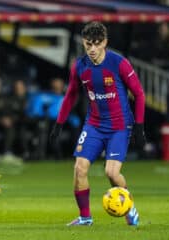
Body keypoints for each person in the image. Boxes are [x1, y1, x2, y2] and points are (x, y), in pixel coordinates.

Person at [50, 21, 146, 226]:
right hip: (93, 125)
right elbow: (71, 95)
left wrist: (139, 126)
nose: (92, 49)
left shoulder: (119, 63)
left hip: (119, 126)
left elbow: (138, 93)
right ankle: (85, 217)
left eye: (96, 44)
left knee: (112, 173)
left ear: (105, 42)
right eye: (88, 44)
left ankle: (130, 208)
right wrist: (59, 123)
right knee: (80, 168)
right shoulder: (79, 66)